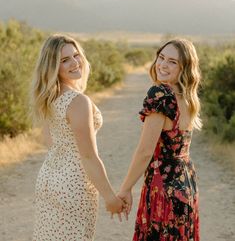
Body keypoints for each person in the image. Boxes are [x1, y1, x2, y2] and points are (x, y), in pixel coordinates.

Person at [31, 34, 125, 241]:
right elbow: (89, 156)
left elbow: (48, 139)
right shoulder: (77, 101)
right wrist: (110, 197)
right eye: (64, 60)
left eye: (75, 55)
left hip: (49, 178)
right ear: (53, 66)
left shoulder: (49, 96)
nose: (75, 63)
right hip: (74, 185)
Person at [119, 39, 201, 241]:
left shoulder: (160, 94)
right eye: (161, 57)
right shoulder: (188, 96)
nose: (163, 65)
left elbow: (145, 151)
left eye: (173, 61)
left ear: (185, 67)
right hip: (186, 183)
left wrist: (125, 189)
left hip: (163, 187)